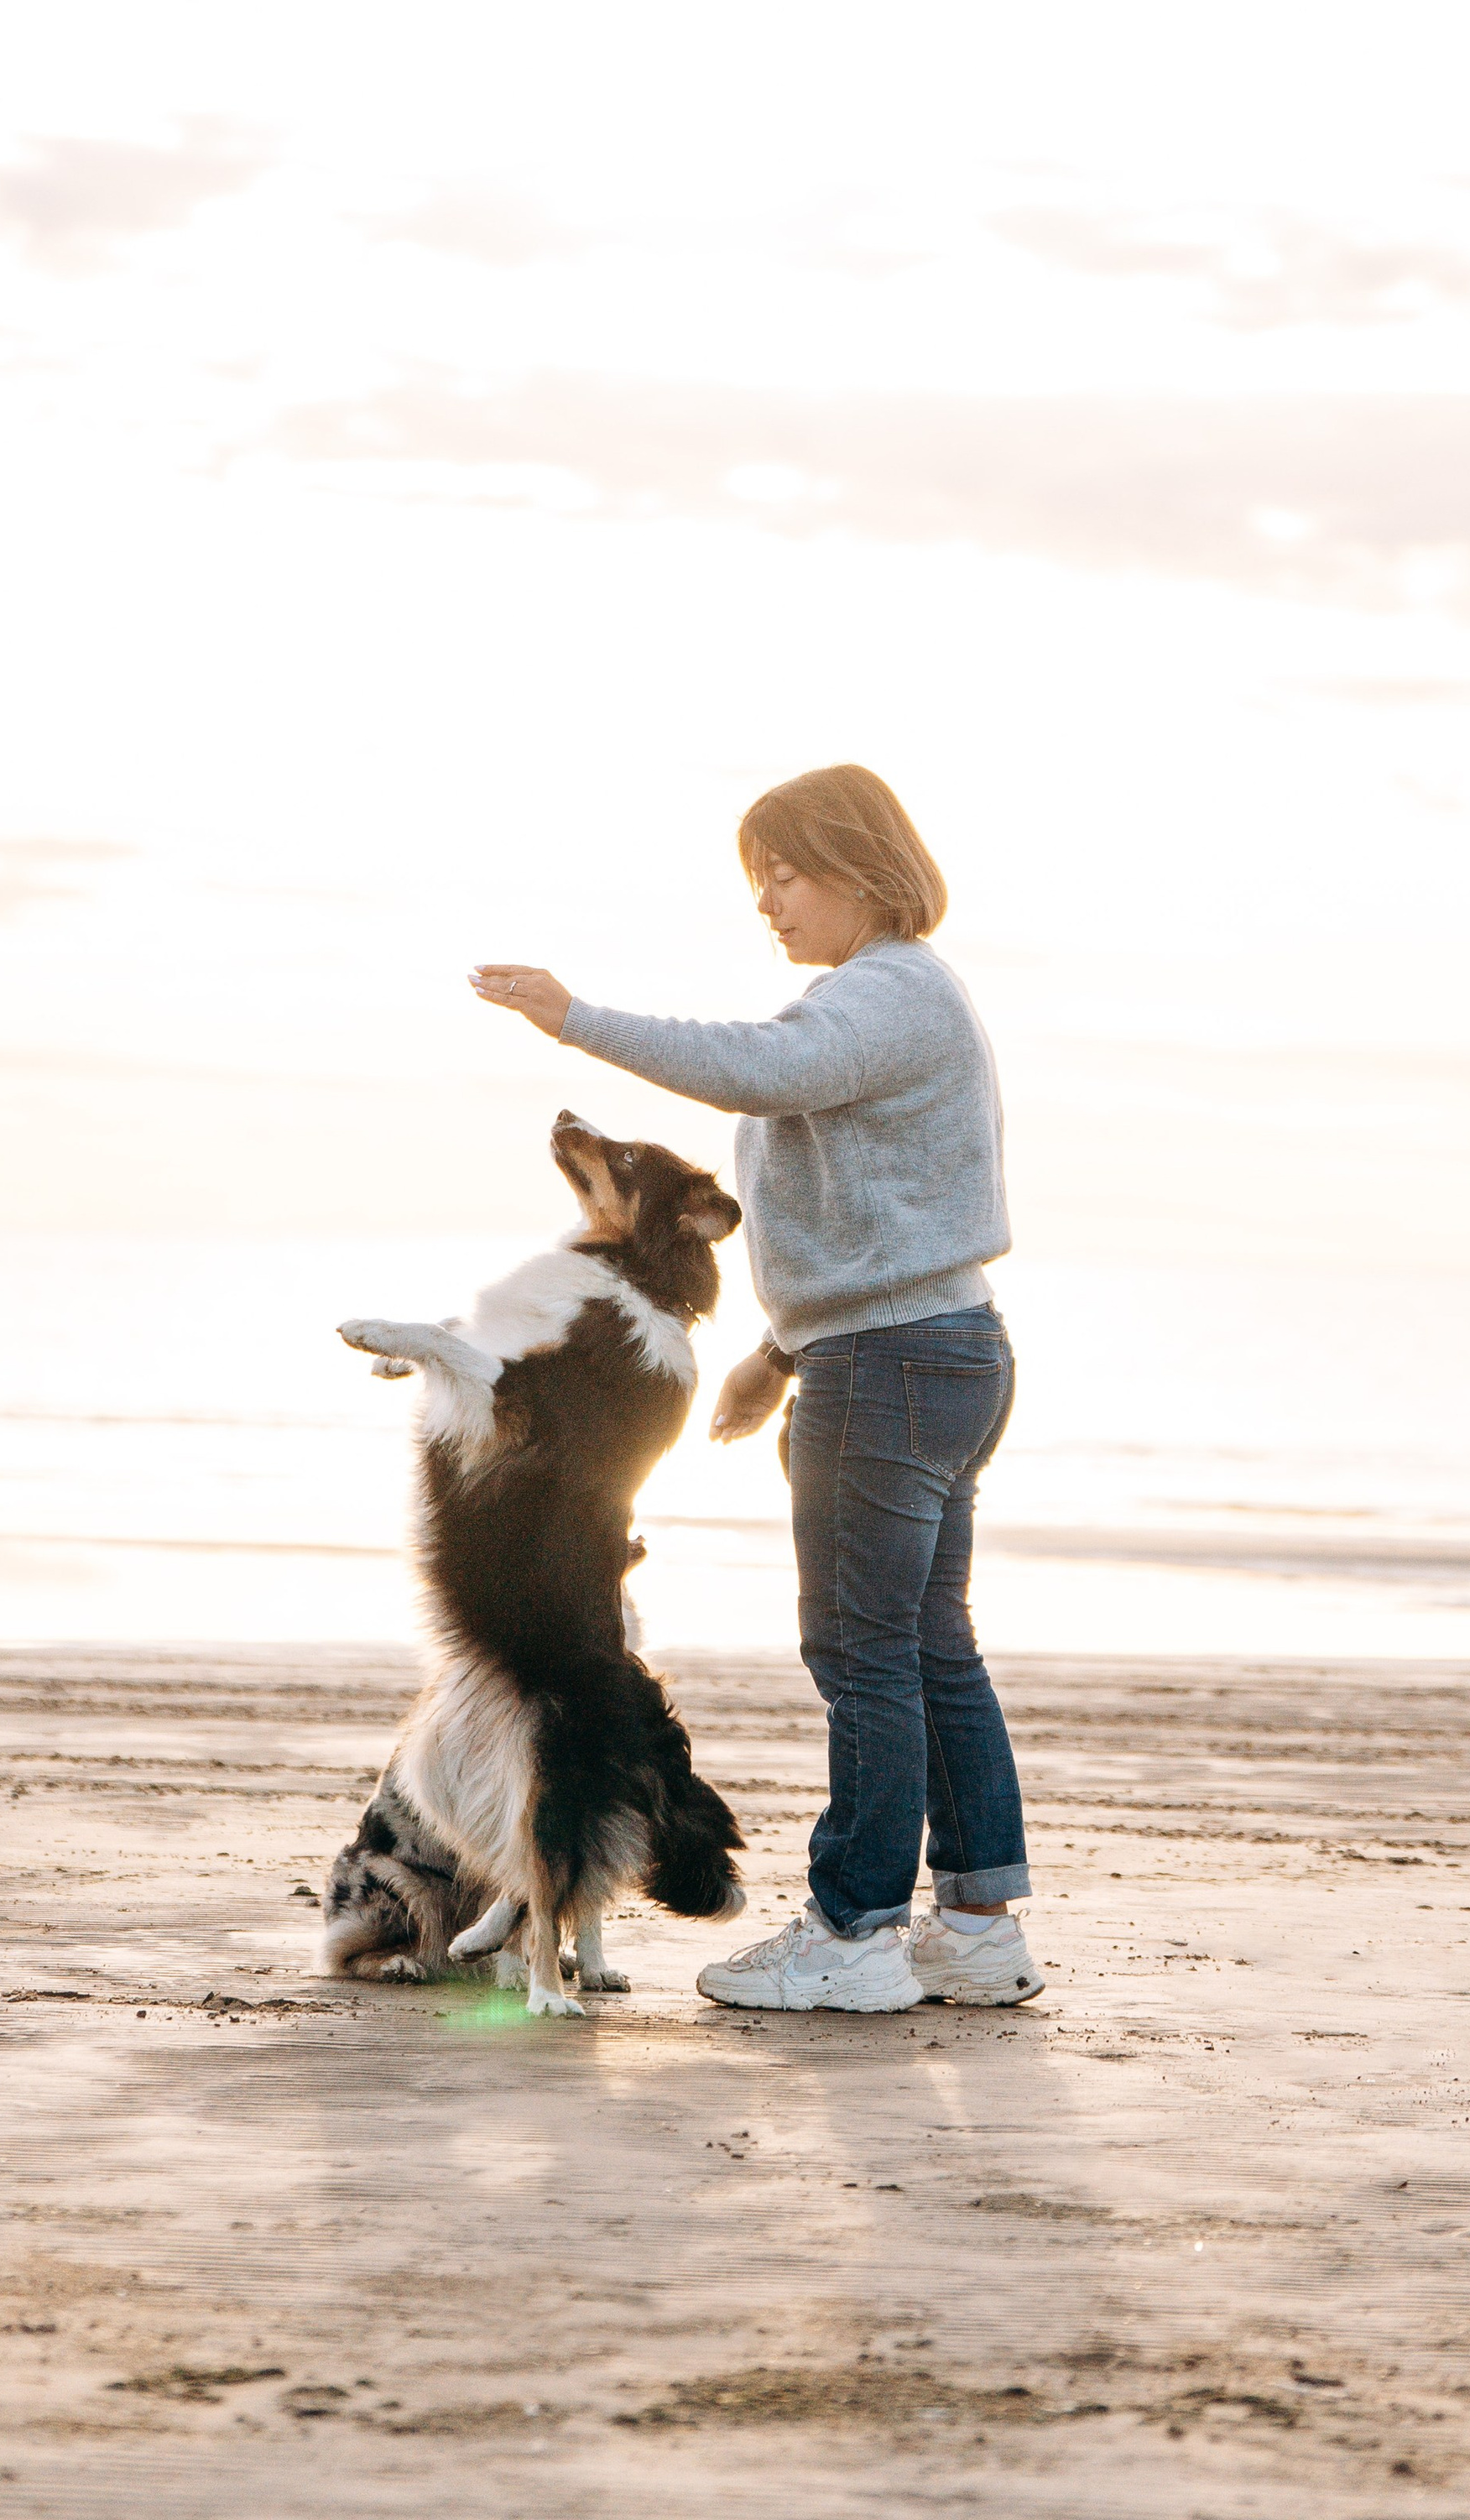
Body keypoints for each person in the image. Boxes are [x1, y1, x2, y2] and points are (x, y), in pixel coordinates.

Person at [469, 762, 1039, 2015]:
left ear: (861, 867)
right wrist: (778, 1354)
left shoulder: (884, 995)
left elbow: (749, 1071)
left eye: (785, 873)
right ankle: (982, 1923)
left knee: (864, 1650)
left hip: (894, 1366)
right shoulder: (894, 1002)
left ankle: (853, 1928)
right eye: (757, 880)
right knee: (931, 1644)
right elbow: (894, 1214)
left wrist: (575, 1016)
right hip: (926, 1347)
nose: (768, 902)